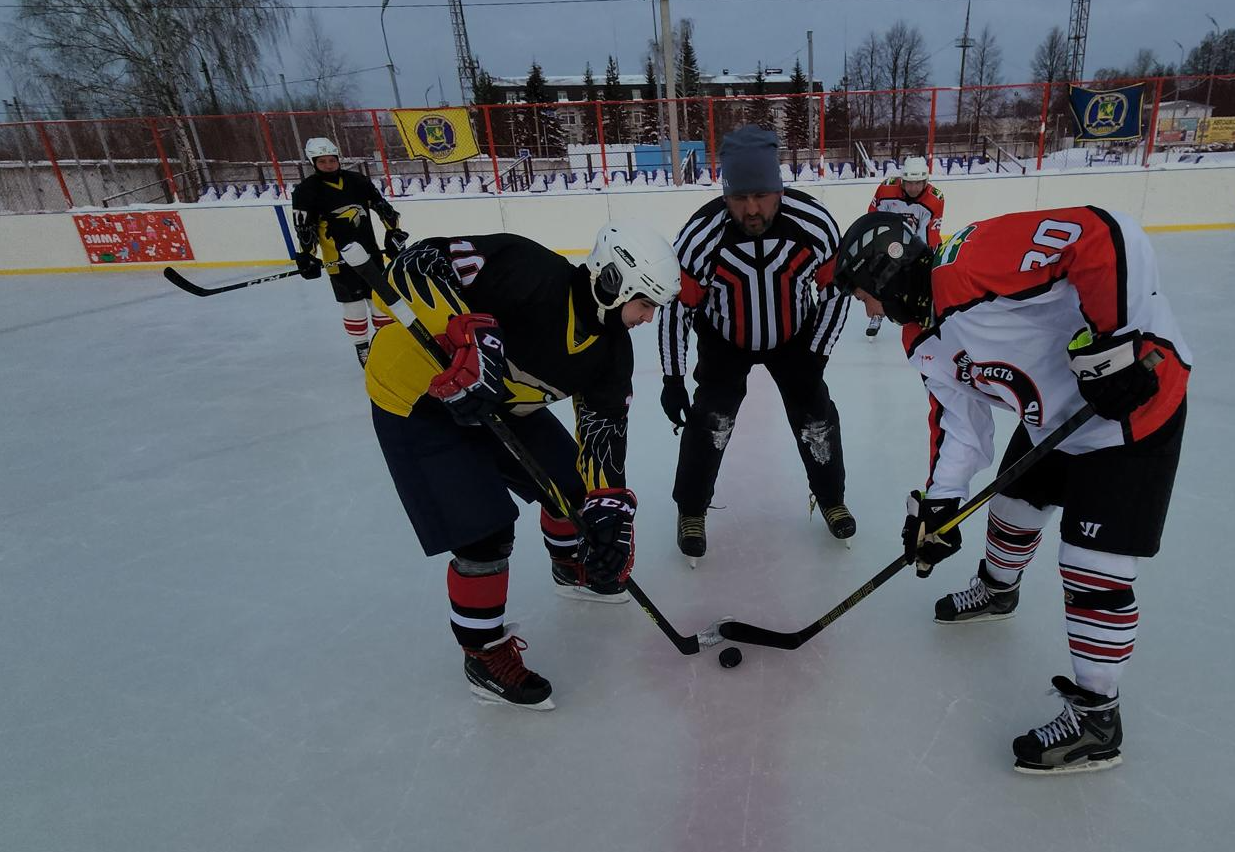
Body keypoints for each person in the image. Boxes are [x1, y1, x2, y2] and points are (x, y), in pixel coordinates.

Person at [833, 206, 1191, 774]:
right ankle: (998, 590)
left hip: (1134, 411)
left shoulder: (971, 264)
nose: (866, 309)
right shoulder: (920, 336)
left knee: (1091, 567)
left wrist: (1119, 339)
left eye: (862, 295)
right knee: (1012, 507)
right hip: (1053, 421)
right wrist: (940, 506)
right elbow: (960, 422)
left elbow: (1101, 232)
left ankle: (1099, 718)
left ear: (885, 275)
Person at [364, 221, 681, 710]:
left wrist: (608, 511)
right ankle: (483, 654)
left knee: (575, 491)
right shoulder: (524, 268)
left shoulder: (611, 354)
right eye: (646, 303)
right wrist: (466, 333)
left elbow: (601, 435)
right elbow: (416, 262)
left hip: (502, 407)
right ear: (614, 283)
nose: (647, 317)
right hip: (418, 401)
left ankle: (570, 566)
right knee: (484, 536)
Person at [656, 124, 854, 563]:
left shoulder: (815, 224)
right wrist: (672, 376)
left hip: (796, 337)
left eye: (761, 195)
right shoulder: (700, 237)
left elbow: (838, 291)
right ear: (724, 193)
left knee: (815, 417)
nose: (751, 208)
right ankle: (691, 509)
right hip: (726, 339)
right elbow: (676, 308)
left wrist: (817, 352)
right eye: (738, 197)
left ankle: (831, 497)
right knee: (711, 423)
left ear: (778, 188)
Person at [291, 137, 409, 367]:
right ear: (313, 162)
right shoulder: (306, 191)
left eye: (331, 160)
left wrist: (393, 232)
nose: (328, 165)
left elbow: (383, 208)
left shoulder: (357, 181)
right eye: (322, 161)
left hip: (370, 253)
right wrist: (306, 254)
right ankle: (362, 348)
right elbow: (305, 228)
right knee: (353, 306)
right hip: (338, 259)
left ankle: (385, 343)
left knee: (379, 302)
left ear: (338, 159)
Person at [863, 155, 944, 340]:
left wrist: (924, 259)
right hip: (887, 242)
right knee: (879, 278)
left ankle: (926, 315)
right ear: (902, 181)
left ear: (926, 181)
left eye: (918, 183)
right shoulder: (886, 190)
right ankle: (876, 314)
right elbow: (873, 218)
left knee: (923, 281)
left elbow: (930, 232)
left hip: (915, 244)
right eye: (909, 183)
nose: (914, 188)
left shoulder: (934, 199)